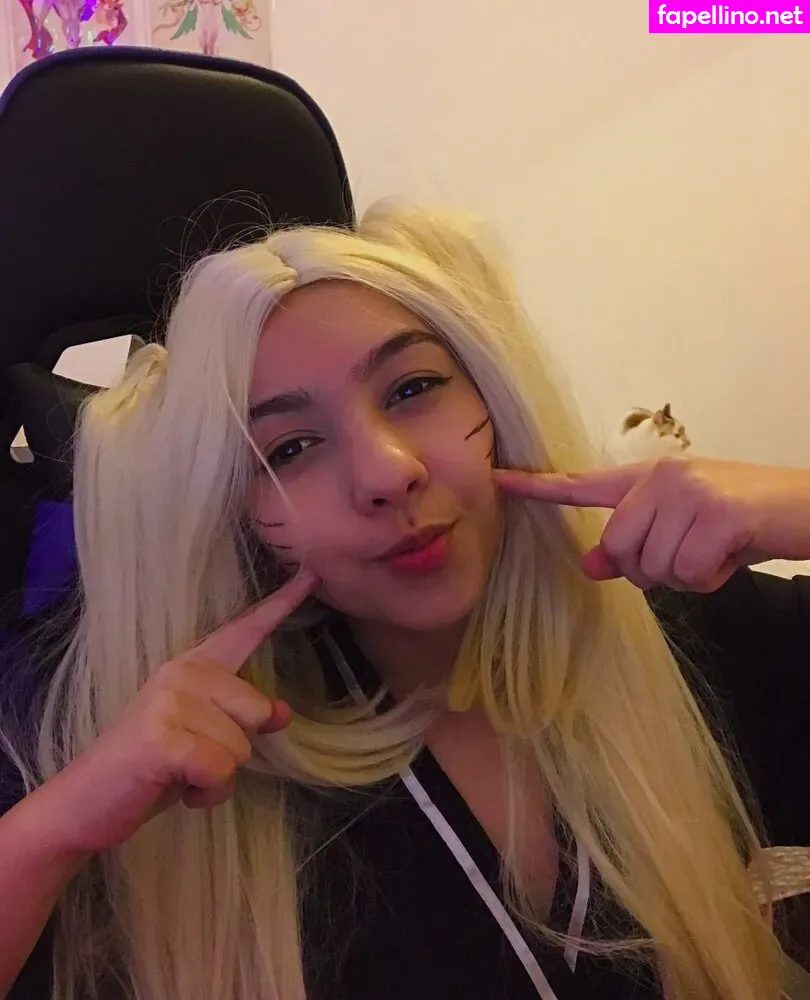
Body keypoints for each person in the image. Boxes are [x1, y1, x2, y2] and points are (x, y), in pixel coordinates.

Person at [0, 202, 808, 1000]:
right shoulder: (162, 769)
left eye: (414, 387)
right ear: (235, 514)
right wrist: (52, 834)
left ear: (494, 396)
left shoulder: (666, 626)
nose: (387, 473)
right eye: (291, 447)